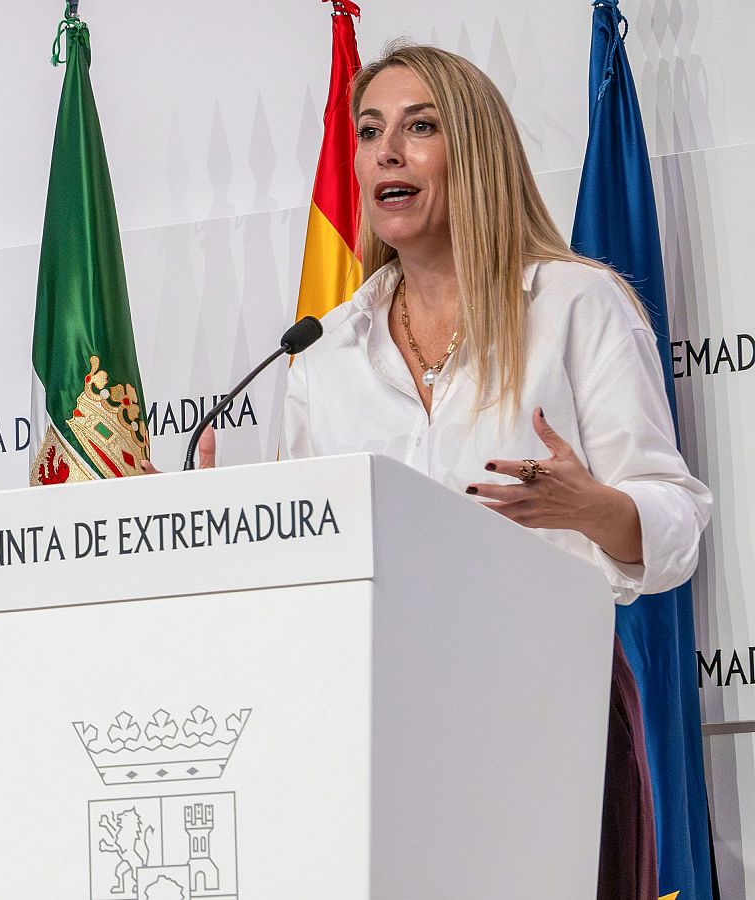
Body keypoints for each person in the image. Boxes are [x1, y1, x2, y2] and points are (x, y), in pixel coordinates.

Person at [165, 42, 712, 900]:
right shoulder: (323, 351)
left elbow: (674, 518)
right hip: (371, 726)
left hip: (545, 703)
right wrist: (227, 519)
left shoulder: (575, 305)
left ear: (477, 151)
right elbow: (310, 557)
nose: (387, 151)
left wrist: (592, 506)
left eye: (420, 128)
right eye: (371, 130)